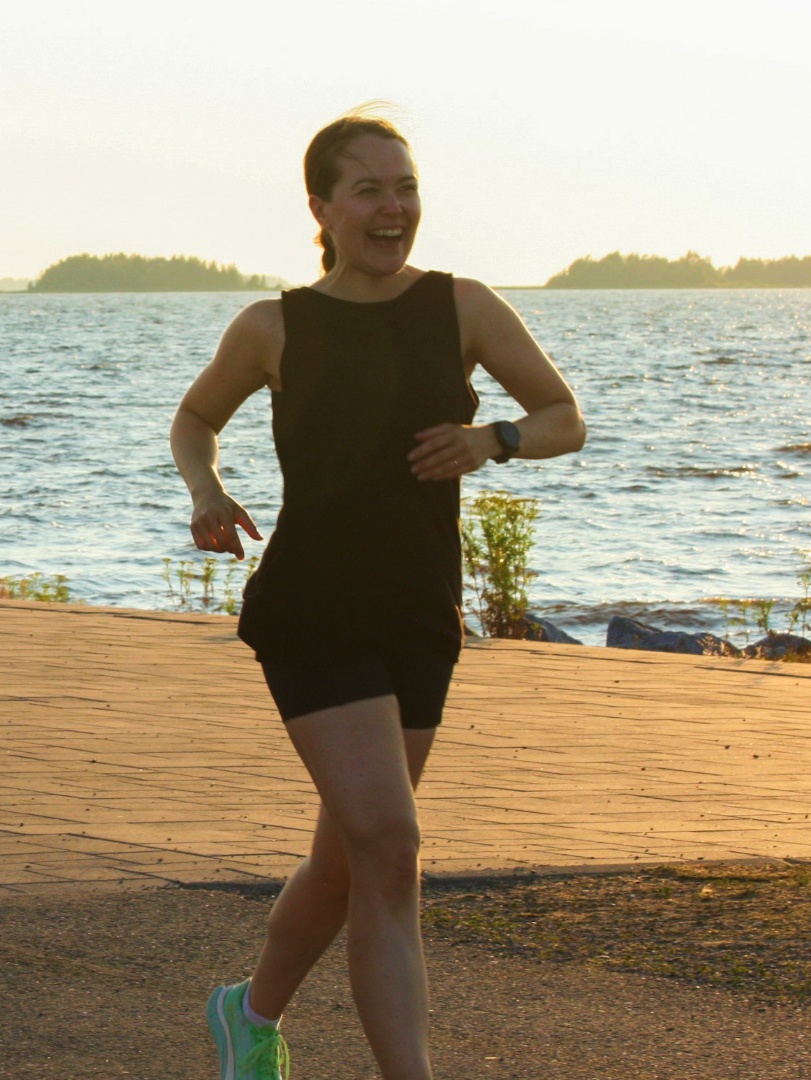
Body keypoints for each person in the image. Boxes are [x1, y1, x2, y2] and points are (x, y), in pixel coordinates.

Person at [170, 110, 586, 1080]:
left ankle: (248, 1012)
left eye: (404, 187)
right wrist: (207, 490)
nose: (392, 207)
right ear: (320, 207)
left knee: (352, 856)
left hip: (417, 611)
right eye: (368, 189)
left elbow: (564, 417)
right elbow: (195, 418)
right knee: (391, 846)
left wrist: (495, 442)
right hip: (312, 606)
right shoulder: (276, 324)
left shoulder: (462, 307)